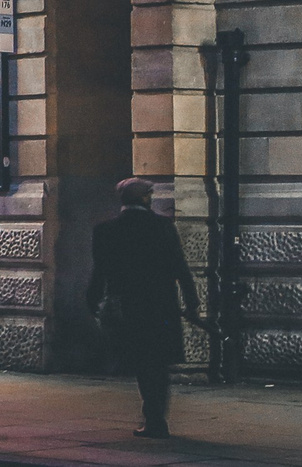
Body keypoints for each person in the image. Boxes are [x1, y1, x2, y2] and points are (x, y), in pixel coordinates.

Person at [85, 177, 202, 439]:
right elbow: (180, 268)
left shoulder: (106, 230)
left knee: (142, 363)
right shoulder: (162, 227)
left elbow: (100, 272)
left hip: (129, 307)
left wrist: (92, 300)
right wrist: (192, 301)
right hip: (161, 306)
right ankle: (156, 417)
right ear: (144, 199)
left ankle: (154, 419)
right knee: (157, 363)